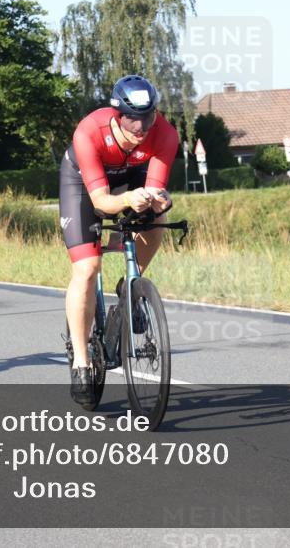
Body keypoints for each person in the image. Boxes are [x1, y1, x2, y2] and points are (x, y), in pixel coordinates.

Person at [59, 75, 178, 405]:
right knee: (87, 268)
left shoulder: (165, 134)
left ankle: (131, 286)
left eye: (147, 118)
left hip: (131, 175)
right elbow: (100, 203)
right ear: (117, 115)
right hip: (84, 184)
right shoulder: (89, 132)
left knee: (157, 217)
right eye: (131, 119)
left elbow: (154, 189)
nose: (140, 128)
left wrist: (158, 200)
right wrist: (127, 200)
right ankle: (81, 361)